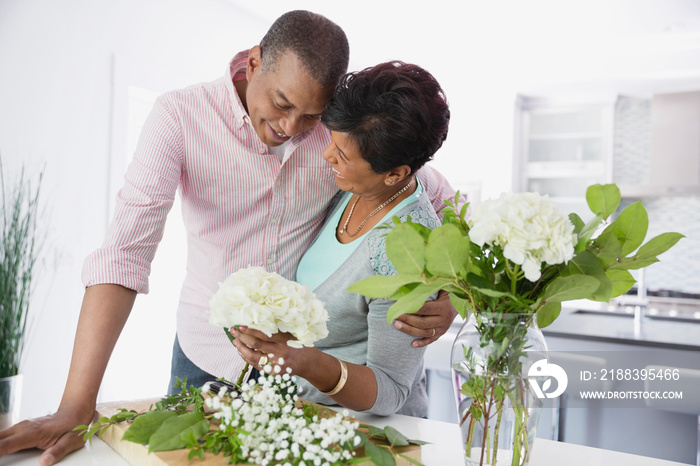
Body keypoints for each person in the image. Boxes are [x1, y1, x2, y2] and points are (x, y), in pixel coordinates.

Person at [0, 10, 457, 465]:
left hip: (310, 375)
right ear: (254, 63)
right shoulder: (179, 117)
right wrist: (76, 406)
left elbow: (432, 195)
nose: (292, 127)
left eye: (310, 116)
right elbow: (123, 255)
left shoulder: (343, 135)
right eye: (281, 104)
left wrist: (452, 292)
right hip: (209, 360)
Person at [231, 61, 450, 417]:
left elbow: (392, 389)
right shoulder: (359, 186)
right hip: (307, 414)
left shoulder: (406, 255)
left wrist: (307, 362)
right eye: (332, 140)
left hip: (369, 434)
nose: (326, 154)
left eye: (343, 155)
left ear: (396, 174)